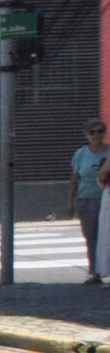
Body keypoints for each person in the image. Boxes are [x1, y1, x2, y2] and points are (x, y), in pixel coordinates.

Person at [71, 118, 108, 285]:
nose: (96, 135)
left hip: (107, 198)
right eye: (92, 132)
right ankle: (94, 271)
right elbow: (75, 178)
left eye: (100, 131)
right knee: (91, 236)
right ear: (87, 134)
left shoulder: (109, 152)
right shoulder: (81, 154)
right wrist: (70, 201)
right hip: (86, 198)